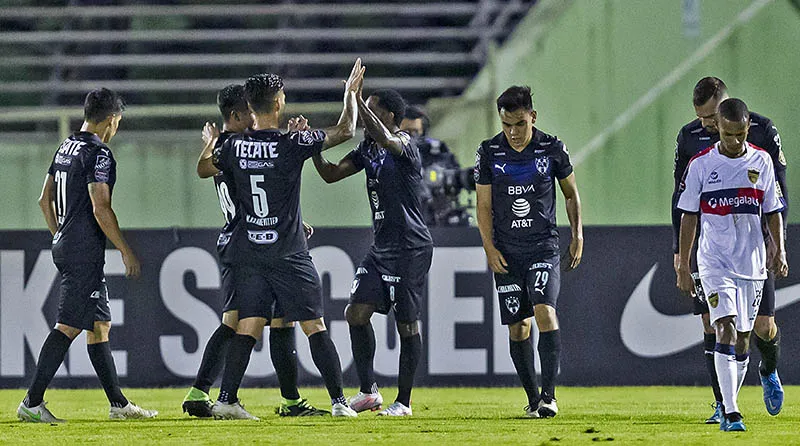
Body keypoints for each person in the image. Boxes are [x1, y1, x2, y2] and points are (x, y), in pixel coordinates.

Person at [196, 59, 365, 419]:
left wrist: (211, 142)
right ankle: (338, 402)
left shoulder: (234, 146)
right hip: (288, 251)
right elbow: (346, 130)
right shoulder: (293, 142)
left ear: (250, 105)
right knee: (313, 324)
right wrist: (350, 94)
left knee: (249, 324)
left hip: (249, 251)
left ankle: (226, 399)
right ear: (278, 104)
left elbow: (204, 167)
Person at [183, 85, 327, 417]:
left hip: (247, 241)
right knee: (239, 322)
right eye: (248, 110)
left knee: (275, 320)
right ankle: (207, 392)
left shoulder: (228, 147)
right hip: (250, 245)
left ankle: (286, 400)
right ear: (236, 115)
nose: (254, 115)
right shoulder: (236, 148)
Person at [18, 88, 157, 422]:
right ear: (111, 120)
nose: (116, 128)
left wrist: (59, 234)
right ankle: (32, 403)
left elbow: (43, 199)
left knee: (99, 326)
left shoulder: (65, 146)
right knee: (68, 326)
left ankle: (119, 406)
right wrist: (124, 250)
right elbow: (101, 207)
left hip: (66, 243)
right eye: (118, 122)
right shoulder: (99, 153)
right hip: (83, 251)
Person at [311, 89, 433, 417]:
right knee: (355, 312)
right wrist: (312, 150)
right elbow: (331, 174)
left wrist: (356, 99)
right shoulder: (367, 149)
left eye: (372, 110)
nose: (365, 116)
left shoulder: (404, 143)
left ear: (391, 117)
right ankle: (369, 391)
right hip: (381, 248)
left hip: (411, 247)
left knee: (407, 325)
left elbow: (382, 134)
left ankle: (404, 403)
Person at [672, 77, 786, 421]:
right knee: (714, 324)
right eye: (703, 119)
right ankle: (725, 405)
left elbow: (778, 197)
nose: (705, 124)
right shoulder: (690, 140)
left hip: (753, 248)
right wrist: (680, 253)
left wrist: (776, 245)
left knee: (762, 328)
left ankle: (768, 369)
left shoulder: (763, 135)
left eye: (711, 117)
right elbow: (681, 201)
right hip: (713, 253)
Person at [474, 85, 583, 418]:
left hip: (542, 246)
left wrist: (577, 234)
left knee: (544, 311)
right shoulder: (489, 151)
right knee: (518, 327)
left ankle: (549, 397)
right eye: (507, 124)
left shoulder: (552, 148)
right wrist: (489, 248)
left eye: (520, 124)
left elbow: (570, 194)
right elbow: (483, 205)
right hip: (507, 251)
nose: (513, 132)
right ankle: (533, 398)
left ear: (532, 117)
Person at [401, 105, 473, 226]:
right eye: (407, 131)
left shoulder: (437, 149)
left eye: (416, 131)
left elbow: (454, 177)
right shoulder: (389, 153)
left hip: (438, 216)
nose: (412, 136)